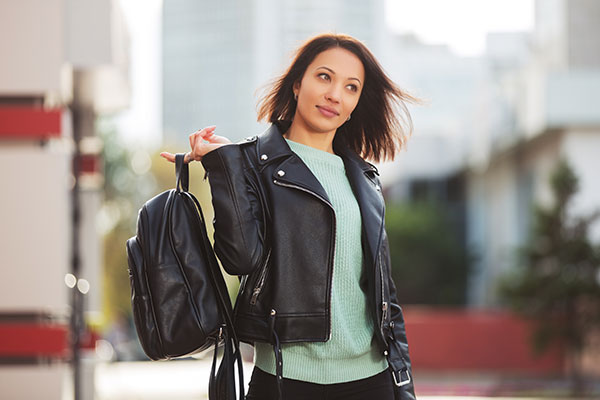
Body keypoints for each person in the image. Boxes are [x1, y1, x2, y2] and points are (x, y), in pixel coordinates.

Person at [161, 32, 419, 400]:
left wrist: (403, 386)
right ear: (298, 83)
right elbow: (240, 258)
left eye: (351, 87)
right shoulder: (251, 162)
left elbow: (384, 294)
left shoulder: (364, 178)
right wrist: (224, 168)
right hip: (285, 381)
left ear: (356, 102)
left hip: (371, 381)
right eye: (324, 77)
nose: (335, 95)